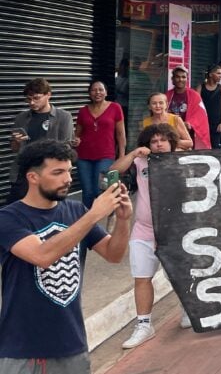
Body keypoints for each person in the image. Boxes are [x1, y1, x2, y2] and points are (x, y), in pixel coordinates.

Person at [0, 139, 132, 374]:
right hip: (15, 352)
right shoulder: (8, 219)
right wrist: (96, 213)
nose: (68, 179)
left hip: (69, 348)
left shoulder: (74, 212)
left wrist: (122, 220)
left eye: (70, 171)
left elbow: (113, 254)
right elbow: (42, 256)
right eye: (58, 172)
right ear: (33, 177)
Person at [112, 124, 190, 348]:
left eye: (162, 140)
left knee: (179, 275)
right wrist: (134, 153)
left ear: (171, 142)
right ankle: (144, 324)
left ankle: (188, 309)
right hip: (144, 230)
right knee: (142, 277)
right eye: (153, 141)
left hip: (174, 230)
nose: (158, 144)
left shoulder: (185, 160)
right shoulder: (140, 162)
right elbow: (113, 172)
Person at [9, 78, 74, 203]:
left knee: (47, 209)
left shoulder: (63, 117)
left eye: (36, 98)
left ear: (48, 95)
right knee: (16, 208)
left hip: (49, 173)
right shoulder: (21, 118)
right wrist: (16, 141)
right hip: (24, 172)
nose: (32, 102)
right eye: (28, 99)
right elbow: (14, 149)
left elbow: (66, 149)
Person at [73, 79, 126, 208]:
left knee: (100, 189)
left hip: (106, 156)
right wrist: (75, 141)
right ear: (89, 93)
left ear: (106, 92)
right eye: (94, 90)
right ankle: (87, 222)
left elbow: (120, 134)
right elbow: (77, 134)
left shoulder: (115, 108)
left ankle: (111, 213)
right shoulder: (83, 111)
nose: (97, 92)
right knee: (87, 192)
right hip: (84, 156)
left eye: (101, 90)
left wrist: (122, 156)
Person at [166, 65, 211, 150]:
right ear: (172, 79)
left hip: (188, 135)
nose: (181, 79)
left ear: (187, 79)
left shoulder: (194, 95)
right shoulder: (167, 95)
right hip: (170, 134)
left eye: (183, 77)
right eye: (177, 77)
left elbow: (201, 115)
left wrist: (189, 123)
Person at [197, 65, 221, 148]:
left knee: (215, 147)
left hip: (216, 124)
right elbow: (196, 106)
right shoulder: (201, 87)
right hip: (203, 123)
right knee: (202, 146)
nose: (220, 76)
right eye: (218, 73)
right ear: (211, 74)